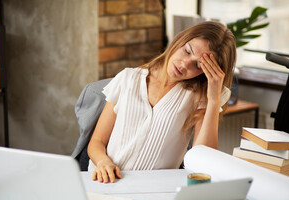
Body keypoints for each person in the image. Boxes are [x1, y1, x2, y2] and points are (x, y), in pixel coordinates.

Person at [87, 21, 236, 183]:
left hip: (154, 191)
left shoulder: (198, 98)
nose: (185, 64)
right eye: (187, 51)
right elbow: (97, 141)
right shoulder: (128, 78)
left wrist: (213, 101)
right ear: (179, 41)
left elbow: (203, 160)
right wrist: (103, 162)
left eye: (198, 65)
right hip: (105, 181)